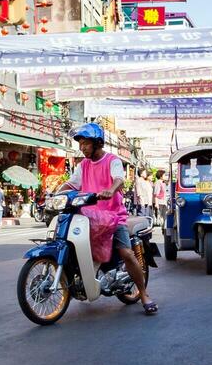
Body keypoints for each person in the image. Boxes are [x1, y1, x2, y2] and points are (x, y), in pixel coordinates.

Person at [57, 122, 157, 315]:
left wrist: (111, 190)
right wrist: (53, 195)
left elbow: (118, 179)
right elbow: (71, 184)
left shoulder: (113, 160)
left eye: (85, 143)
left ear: (97, 143)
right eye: (80, 144)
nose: (82, 148)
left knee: (127, 253)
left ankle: (144, 294)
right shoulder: (83, 165)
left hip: (113, 216)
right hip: (88, 216)